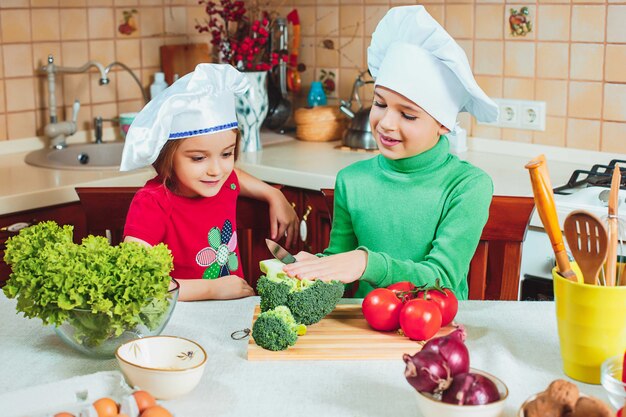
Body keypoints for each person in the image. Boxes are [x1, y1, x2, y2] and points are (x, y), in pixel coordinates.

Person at [283, 6, 498, 300]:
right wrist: (314, 270)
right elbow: (342, 274)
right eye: (380, 103)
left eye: (407, 115)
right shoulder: (352, 180)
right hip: (365, 325)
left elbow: (442, 278)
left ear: (443, 125)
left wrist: (366, 262)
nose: (385, 123)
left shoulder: (468, 186)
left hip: (434, 328)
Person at [120, 64, 298, 301]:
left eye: (226, 154)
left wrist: (273, 195)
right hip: (179, 321)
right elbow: (138, 281)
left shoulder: (223, 182)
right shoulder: (152, 202)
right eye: (198, 158)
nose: (216, 170)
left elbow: (235, 177)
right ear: (167, 156)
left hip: (233, 314)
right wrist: (212, 289)